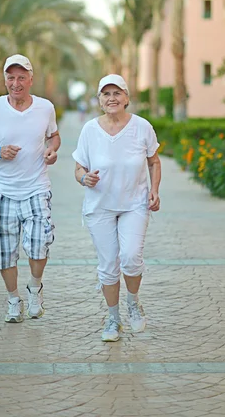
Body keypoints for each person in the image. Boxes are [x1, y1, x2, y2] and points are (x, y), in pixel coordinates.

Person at [0, 54, 60, 323]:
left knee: (39, 243)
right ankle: (13, 300)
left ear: (31, 79)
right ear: (4, 79)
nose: (16, 82)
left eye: (21, 77)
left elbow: (53, 136)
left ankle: (35, 288)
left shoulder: (45, 108)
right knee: (3, 249)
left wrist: (52, 150)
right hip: (2, 190)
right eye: (11, 77)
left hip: (36, 188)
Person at [72, 74, 161, 342]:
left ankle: (133, 302)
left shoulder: (142, 127)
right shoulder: (89, 130)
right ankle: (113, 318)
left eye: (117, 93)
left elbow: (154, 162)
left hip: (135, 204)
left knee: (131, 258)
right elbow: (79, 168)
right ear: (99, 101)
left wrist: (155, 190)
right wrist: (83, 178)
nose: (112, 98)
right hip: (100, 207)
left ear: (127, 98)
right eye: (106, 94)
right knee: (108, 266)